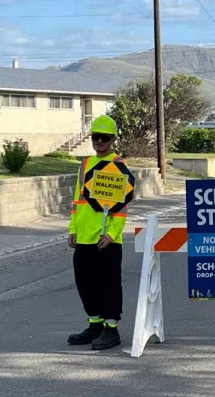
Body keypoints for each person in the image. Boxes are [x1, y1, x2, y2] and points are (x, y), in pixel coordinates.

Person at [66, 115, 132, 351]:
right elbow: (77, 200)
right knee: (85, 284)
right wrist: (73, 228)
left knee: (109, 286)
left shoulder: (118, 165)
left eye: (104, 137)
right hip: (83, 235)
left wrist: (112, 234)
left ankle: (111, 328)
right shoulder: (85, 165)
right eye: (96, 137)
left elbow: (121, 206)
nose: (99, 141)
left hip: (106, 239)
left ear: (113, 139)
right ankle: (94, 324)